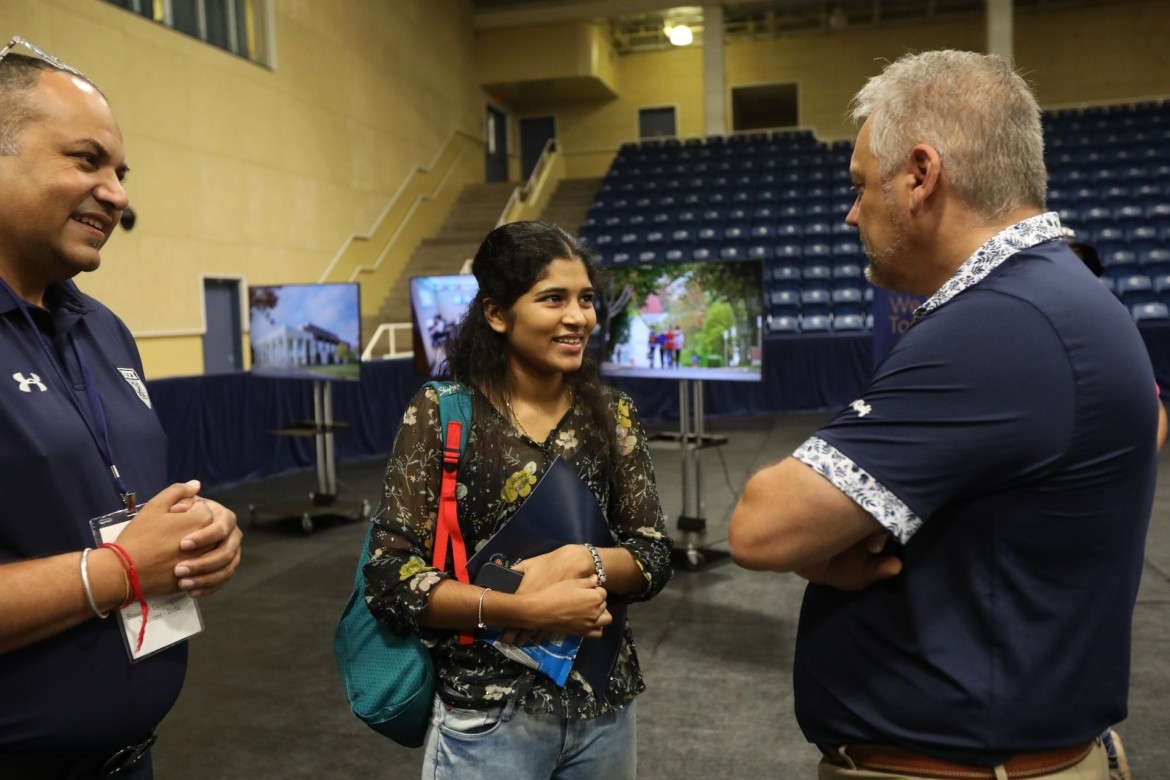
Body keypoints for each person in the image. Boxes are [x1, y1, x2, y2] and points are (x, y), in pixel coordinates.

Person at [727, 50, 1155, 780]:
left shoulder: (1001, 324)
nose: (851, 211)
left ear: (921, 176)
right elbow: (1146, 419)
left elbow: (761, 527)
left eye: (862, 186)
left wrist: (826, 540)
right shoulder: (1068, 290)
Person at [0, 42, 243, 779]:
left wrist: (198, 534)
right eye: (86, 160)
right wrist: (120, 570)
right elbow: (119, 559)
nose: (116, 194)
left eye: (121, 175)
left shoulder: (102, 328)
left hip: (125, 761)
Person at [363, 220, 673, 779]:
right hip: (486, 717)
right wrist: (520, 608)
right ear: (497, 313)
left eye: (585, 299)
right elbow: (389, 576)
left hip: (603, 711)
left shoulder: (613, 413)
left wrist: (587, 560)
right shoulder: (443, 411)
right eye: (552, 299)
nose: (578, 317)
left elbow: (653, 556)